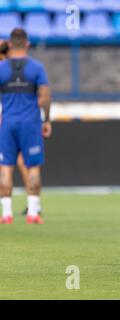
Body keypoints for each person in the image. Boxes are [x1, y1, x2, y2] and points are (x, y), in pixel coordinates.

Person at [0, 29, 51, 225]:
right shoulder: (37, 68)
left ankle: (6, 214)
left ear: (10, 45)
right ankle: (33, 212)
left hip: (8, 123)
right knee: (33, 168)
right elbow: (45, 96)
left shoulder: (2, 68)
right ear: (27, 44)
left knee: (5, 168)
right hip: (30, 123)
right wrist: (46, 120)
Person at [0, 40, 33, 218]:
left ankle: (8, 209)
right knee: (22, 162)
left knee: (7, 165)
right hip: (24, 119)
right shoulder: (20, 68)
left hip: (8, 120)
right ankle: (33, 204)